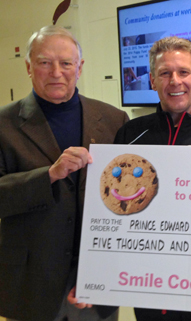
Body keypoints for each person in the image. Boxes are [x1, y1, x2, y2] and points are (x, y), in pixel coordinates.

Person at [0, 25, 129, 321]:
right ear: (29, 67)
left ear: (80, 67)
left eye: (66, 63)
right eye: (45, 62)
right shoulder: (4, 124)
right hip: (32, 283)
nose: (56, 71)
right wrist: (48, 175)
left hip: (97, 281)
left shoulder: (113, 120)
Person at [113, 36, 191, 320]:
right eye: (164, 73)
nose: (175, 81)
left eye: (183, 72)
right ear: (152, 81)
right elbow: (116, 211)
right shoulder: (129, 135)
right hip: (148, 286)